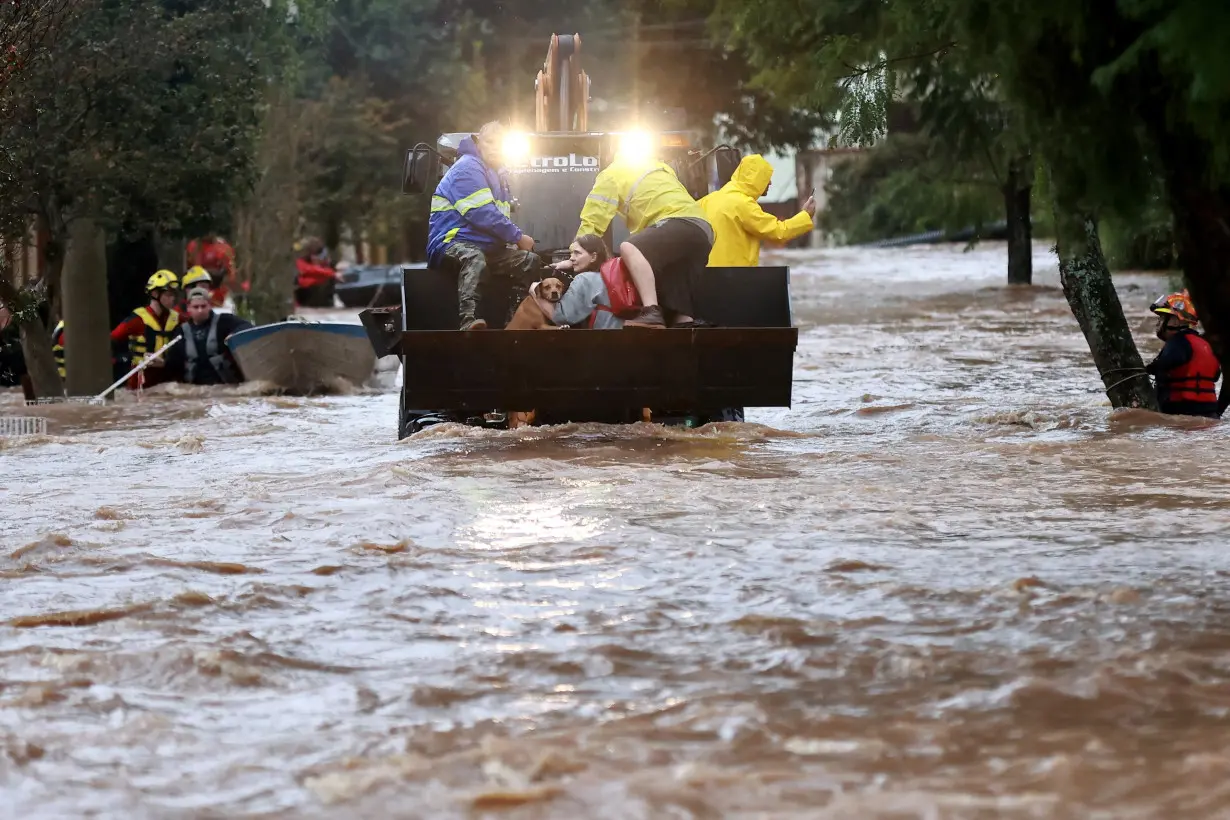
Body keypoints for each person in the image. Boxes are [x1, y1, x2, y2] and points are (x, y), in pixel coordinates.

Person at [576, 144, 713, 329]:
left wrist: (577, 252)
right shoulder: (660, 167)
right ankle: (684, 323)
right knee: (675, 277)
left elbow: (595, 216)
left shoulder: (612, 173)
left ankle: (651, 311)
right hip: (703, 230)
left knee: (630, 248)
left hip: (678, 221)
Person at [426, 121, 543, 330]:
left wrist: (513, 244)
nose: (495, 147)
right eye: (490, 142)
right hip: (451, 242)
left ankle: (515, 322)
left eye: (500, 143)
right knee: (474, 258)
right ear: (479, 143)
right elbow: (482, 214)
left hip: (488, 248)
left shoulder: (499, 176)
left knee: (529, 261)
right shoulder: (467, 167)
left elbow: (499, 219)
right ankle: (469, 320)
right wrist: (518, 237)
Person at [699, 154, 817, 266]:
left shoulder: (706, 201)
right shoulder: (743, 204)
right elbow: (778, 232)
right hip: (734, 278)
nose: (770, 183)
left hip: (705, 277)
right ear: (755, 179)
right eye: (766, 178)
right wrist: (805, 215)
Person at [1145, 290, 1222, 418]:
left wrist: (1148, 369)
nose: (1158, 323)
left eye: (1163, 318)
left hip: (1181, 412)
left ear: (1175, 322)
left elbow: (1170, 361)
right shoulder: (1205, 344)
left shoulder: (1177, 342)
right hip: (1210, 414)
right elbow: (1216, 375)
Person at [549, 234, 640, 329]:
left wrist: (536, 292)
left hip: (601, 339)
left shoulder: (584, 279)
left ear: (593, 257)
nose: (571, 258)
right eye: (571, 253)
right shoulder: (614, 277)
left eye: (577, 253)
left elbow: (562, 317)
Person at [164, 287, 252, 385]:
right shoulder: (181, 331)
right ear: (189, 308)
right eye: (196, 307)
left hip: (225, 385)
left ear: (209, 306)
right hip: (195, 389)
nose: (200, 310)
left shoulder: (225, 321)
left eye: (203, 306)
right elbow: (173, 362)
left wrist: (235, 334)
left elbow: (247, 327)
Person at [110, 270, 181, 389]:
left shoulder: (178, 319)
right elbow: (111, 340)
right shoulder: (137, 320)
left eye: (174, 294)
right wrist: (124, 358)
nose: (173, 298)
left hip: (167, 383)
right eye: (169, 294)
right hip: (140, 384)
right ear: (155, 294)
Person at [187, 235, 237, 308]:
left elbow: (230, 275)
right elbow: (191, 272)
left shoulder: (224, 248)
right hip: (197, 294)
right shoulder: (193, 246)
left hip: (220, 295)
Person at [294, 238, 338, 308]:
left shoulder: (328, 265)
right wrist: (330, 274)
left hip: (325, 304)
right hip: (305, 304)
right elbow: (303, 278)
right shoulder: (302, 263)